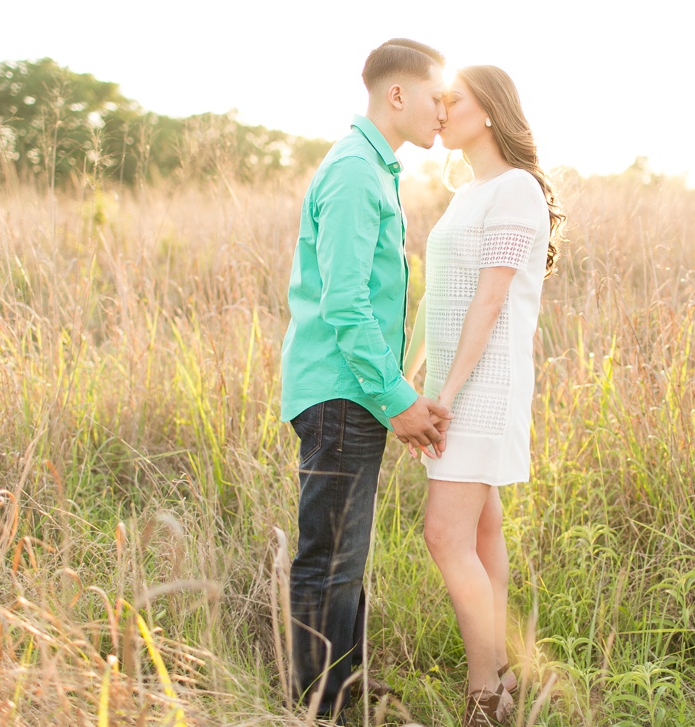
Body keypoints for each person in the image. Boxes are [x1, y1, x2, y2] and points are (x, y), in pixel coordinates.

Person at [279, 38, 452, 722]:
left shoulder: (374, 168)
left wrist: (391, 396)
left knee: (345, 556)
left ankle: (341, 687)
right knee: (328, 559)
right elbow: (345, 304)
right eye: (438, 97)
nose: (445, 111)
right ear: (398, 95)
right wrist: (397, 399)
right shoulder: (355, 170)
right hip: (340, 391)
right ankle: (317, 707)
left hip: (351, 390)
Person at [404, 65, 565, 727]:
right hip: (452, 380)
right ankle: (499, 677)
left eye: (454, 100)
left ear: (491, 111)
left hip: (483, 384)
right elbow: (439, 297)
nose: (441, 111)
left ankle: (483, 696)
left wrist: (444, 391)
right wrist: (413, 373)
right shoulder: (469, 191)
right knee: (480, 529)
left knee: (444, 533)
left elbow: (492, 299)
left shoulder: (517, 189)